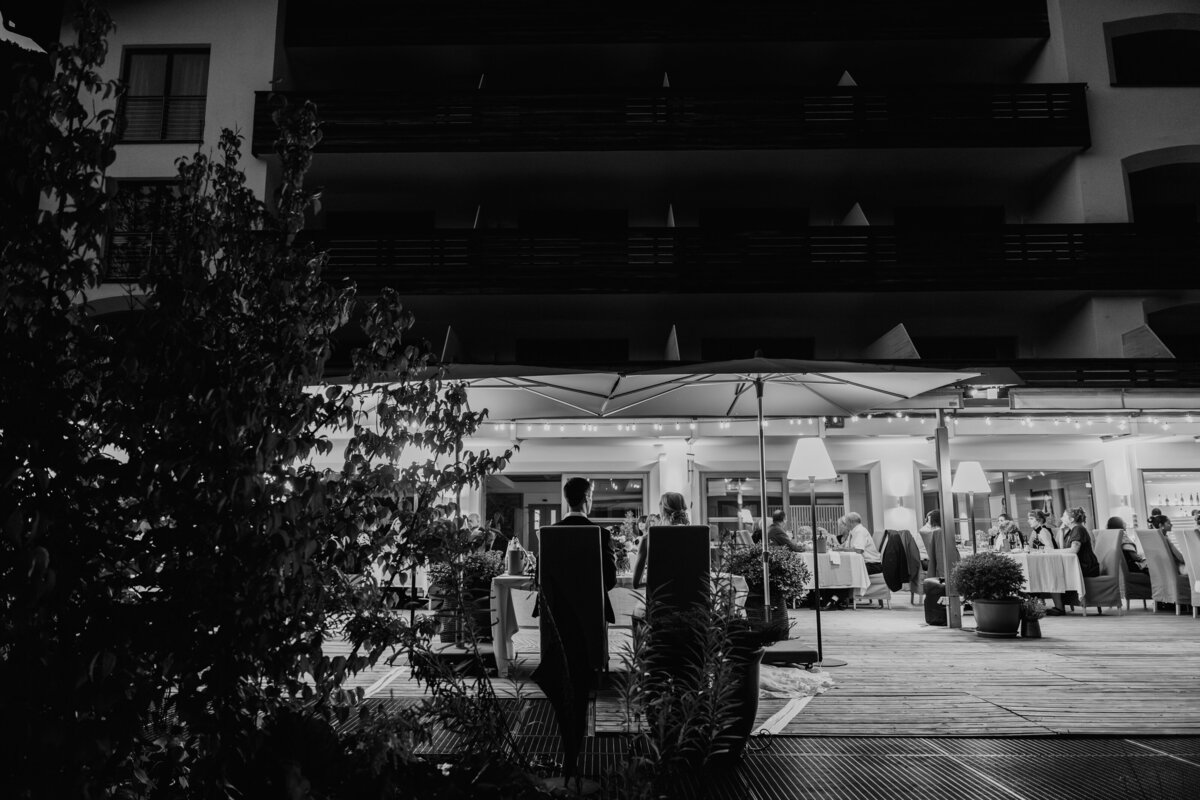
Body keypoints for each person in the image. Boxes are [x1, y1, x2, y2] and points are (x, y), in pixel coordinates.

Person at [554, 477, 619, 623]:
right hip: (593, 611)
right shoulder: (602, 534)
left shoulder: (549, 533)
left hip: (556, 612)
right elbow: (610, 579)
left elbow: (541, 577)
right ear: (587, 498)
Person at [632, 491, 689, 590]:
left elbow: (635, 584)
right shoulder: (697, 534)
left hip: (660, 599)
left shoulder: (648, 538)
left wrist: (655, 585)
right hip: (692, 599)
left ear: (662, 510)